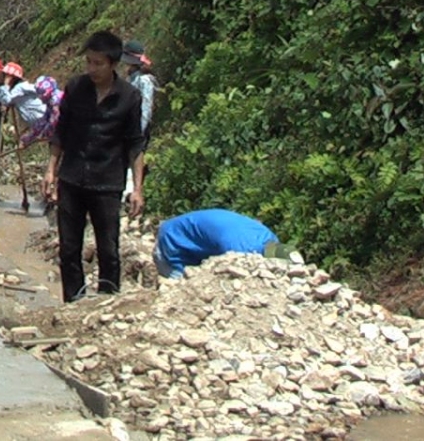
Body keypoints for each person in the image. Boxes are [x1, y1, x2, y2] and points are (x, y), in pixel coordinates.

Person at [44, 31, 146, 302]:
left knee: (108, 249)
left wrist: (137, 188)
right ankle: (74, 303)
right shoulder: (76, 88)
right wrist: (51, 170)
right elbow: (60, 133)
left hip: (108, 181)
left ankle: (106, 302)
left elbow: (136, 144)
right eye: (88, 62)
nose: (92, 69)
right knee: (68, 248)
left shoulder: (129, 97)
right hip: (72, 178)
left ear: (113, 64)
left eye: (98, 63)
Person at [153, 209, 287, 279]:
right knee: (180, 289)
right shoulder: (240, 252)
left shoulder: (270, 238)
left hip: (200, 240)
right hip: (174, 240)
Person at [122, 40, 157, 198]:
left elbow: (146, 108)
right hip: (128, 125)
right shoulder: (132, 79)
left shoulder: (144, 81)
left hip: (139, 127)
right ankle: (127, 189)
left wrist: (139, 129)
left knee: (136, 154)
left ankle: (133, 190)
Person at [0, 62, 54, 147]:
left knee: (54, 139)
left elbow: (6, 100)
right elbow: (4, 100)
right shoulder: (13, 91)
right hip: (37, 120)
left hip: (41, 115)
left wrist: (6, 84)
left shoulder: (20, 87)